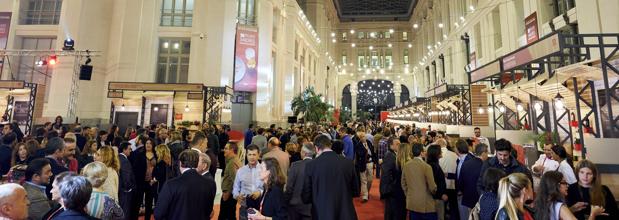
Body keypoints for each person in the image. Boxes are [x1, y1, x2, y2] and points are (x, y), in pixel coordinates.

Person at [302, 134, 359, 219]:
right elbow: (356, 191)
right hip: (345, 212)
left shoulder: (311, 165)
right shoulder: (348, 163)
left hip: (321, 212)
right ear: (330, 145)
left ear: (316, 148)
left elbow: (306, 196)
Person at [154, 149, 216, 219]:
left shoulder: (171, 185)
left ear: (180, 163)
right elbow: (209, 211)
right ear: (197, 163)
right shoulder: (210, 183)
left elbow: (158, 213)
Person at [402, 143, 438, 220]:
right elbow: (432, 187)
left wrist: (408, 194)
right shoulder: (427, 167)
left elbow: (403, 183)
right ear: (421, 153)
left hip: (412, 202)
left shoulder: (406, 165)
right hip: (426, 204)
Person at [233, 144, 265, 220]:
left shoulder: (264, 170)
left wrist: (260, 192)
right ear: (246, 155)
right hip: (245, 207)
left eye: (254, 154)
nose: (252, 157)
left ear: (258, 155)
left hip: (261, 208)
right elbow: (235, 188)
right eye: (249, 154)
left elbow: (269, 188)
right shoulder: (241, 171)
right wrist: (237, 196)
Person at [285, 142, 314, 220]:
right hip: (311, 207)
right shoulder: (318, 166)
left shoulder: (295, 165)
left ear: (304, 153)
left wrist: (286, 201)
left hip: (295, 206)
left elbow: (289, 187)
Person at [455, 138, 483, 220]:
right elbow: (460, 175)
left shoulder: (471, 160)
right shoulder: (458, 160)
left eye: (455, 147)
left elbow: (473, 180)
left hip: (469, 197)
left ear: (458, 149)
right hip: (461, 195)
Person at [380, 138, 406, 220]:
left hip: (393, 190)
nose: (399, 145)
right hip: (392, 191)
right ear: (391, 145)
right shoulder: (390, 155)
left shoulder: (394, 154)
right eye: (397, 144)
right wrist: (389, 189)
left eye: (400, 143)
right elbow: (386, 175)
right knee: (392, 213)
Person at [352, 126, 376, 202]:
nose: (363, 138)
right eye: (361, 137)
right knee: (363, 180)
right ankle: (365, 196)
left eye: (364, 136)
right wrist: (366, 152)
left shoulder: (369, 143)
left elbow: (372, 152)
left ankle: (367, 192)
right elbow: (360, 154)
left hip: (370, 163)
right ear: (360, 138)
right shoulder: (358, 146)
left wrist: (374, 160)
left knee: (370, 179)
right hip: (362, 164)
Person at [436, 138, 459, 220]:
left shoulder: (437, 156)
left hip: (442, 187)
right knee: (454, 208)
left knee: (442, 210)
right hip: (453, 185)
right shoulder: (455, 155)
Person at [220, 142, 242, 220]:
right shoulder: (233, 160)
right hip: (230, 194)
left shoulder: (232, 162)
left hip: (229, 194)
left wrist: (227, 193)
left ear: (232, 150)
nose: (224, 150)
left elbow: (236, 181)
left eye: (226, 148)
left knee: (226, 215)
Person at [426, 144, 448, 220]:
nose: (441, 152)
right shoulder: (433, 166)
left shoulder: (434, 164)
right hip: (436, 199)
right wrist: (441, 194)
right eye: (440, 151)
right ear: (436, 153)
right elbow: (432, 183)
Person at [118, 142, 135, 220]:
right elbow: (126, 177)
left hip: (121, 190)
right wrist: (129, 188)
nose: (130, 151)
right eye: (129, 149)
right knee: (125, 212)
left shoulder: (119, 158)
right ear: (124, 150)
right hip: (125, 192)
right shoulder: (124, 160)